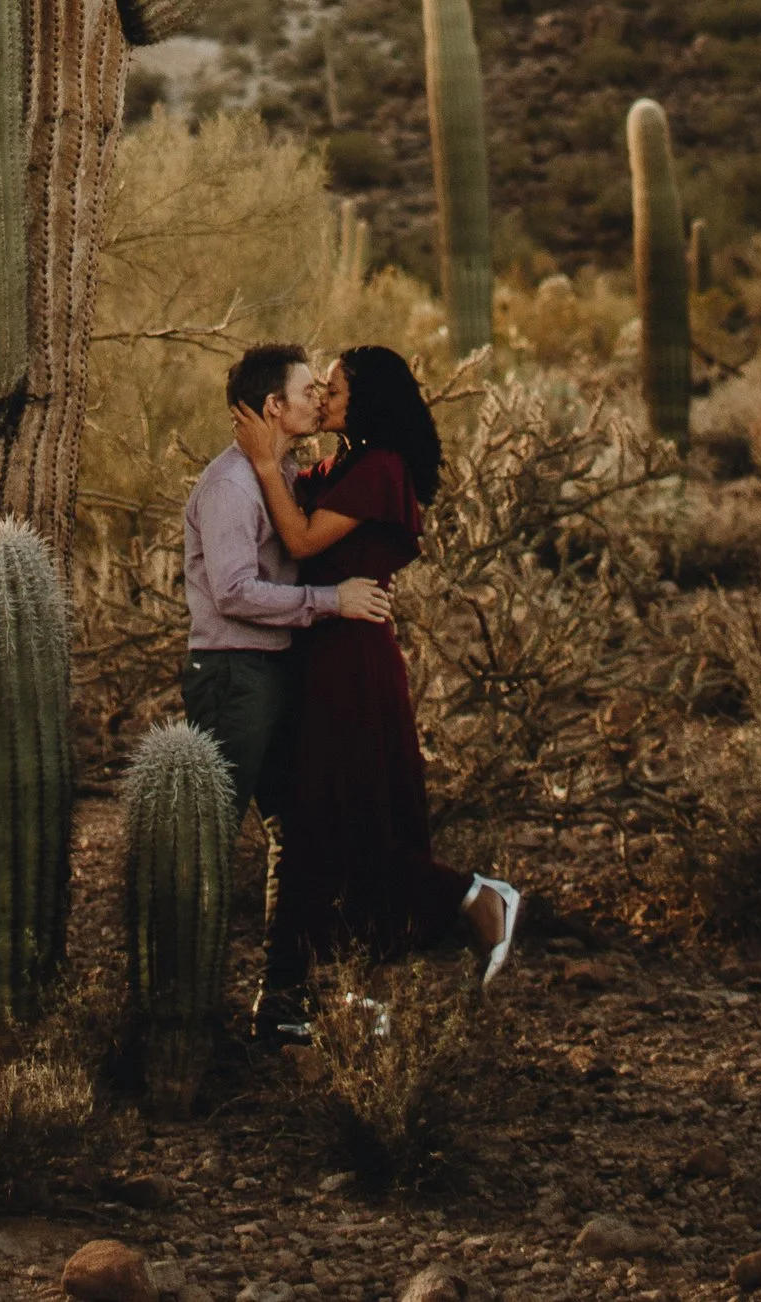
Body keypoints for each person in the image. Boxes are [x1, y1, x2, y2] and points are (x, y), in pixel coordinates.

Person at [234, 342, 521, 990]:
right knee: (322, 823)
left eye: (334, 389)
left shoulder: (381, 469)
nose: (323, 398)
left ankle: (476, 897)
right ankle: (323, 991)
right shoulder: (346, 463)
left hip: (351, 662)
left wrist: (262, 460)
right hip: (321, 653)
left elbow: (301, 538)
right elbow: (289, 508)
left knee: (348, 821)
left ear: (365, 399)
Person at [182, 341, 396, 1042]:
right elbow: (234, 593)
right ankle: (182, 1014)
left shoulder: (285, 476)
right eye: (307, 391)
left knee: (297, 834)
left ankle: (281, 1004)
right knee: (207, 840)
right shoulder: (229, 486)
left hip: (277, 671)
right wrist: (331, 603)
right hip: (232, 675)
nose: (318, 400)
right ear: (273, 406)